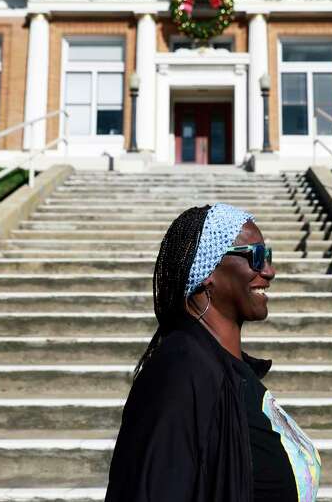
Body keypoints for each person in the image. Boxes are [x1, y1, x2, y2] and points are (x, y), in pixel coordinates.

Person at [105, 203, 321, 502]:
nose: (269, 271)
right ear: (207, 270)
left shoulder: (227, 370)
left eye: (267, 256)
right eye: (256, 257)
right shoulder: (182, 373)